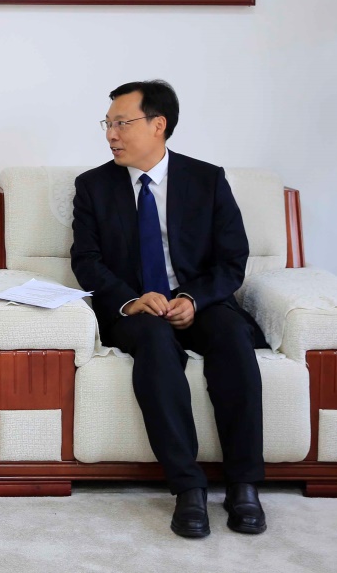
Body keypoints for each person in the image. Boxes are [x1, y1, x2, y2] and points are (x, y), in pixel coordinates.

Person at [70, 80, 268, 539]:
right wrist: (130, 299)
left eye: (122, 123)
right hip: (134, 308)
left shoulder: (207, 179)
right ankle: (188, 488)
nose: (111, 135)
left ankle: (244, 485)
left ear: (158, 125)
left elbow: (232, 260)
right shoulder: (93, 186)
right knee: (156, 343)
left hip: (199, 301)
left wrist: (193, 299)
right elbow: (87, 261)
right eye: (108, 124)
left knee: (232, 337)